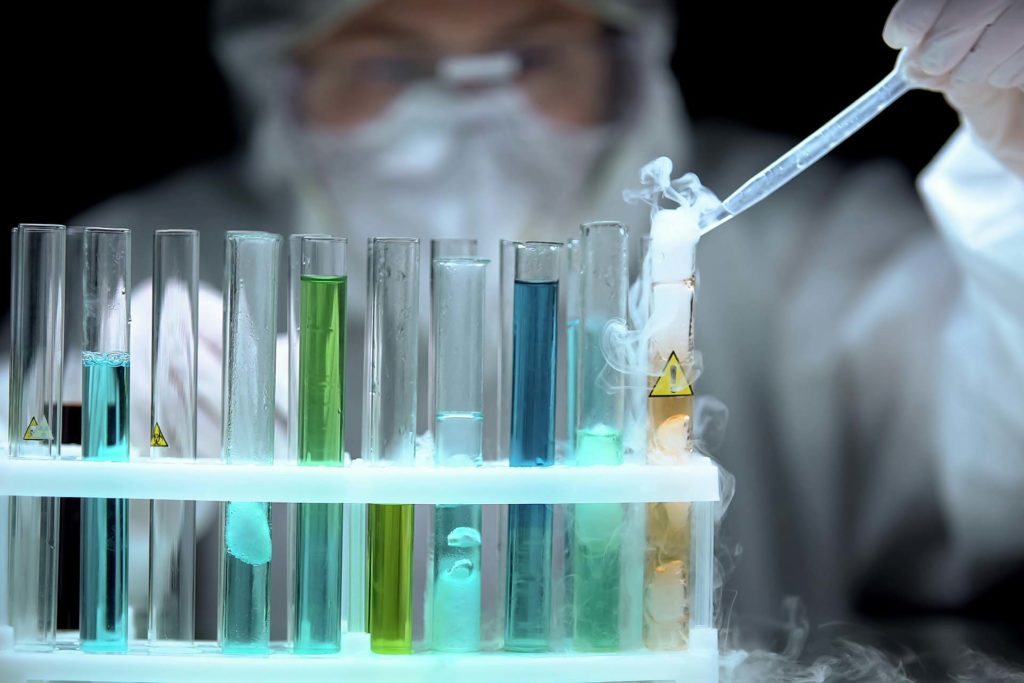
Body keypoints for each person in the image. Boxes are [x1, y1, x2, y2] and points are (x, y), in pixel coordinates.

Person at [56, 0, 1024, 640]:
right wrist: (93, 528)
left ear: (629, 58)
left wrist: (1017, 167)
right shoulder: (135, 266)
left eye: (535, 51)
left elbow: (997, 455)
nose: (467, 115)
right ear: (281, 72)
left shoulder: (800, 250)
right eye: (386, 60)